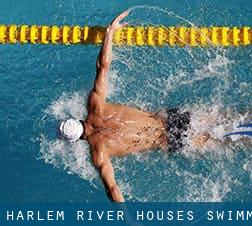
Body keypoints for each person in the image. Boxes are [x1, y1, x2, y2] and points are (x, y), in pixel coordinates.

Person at [58, 11, 210, 202]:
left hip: (171, 140)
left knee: (228, 141)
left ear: (76, 140)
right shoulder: (95, 105)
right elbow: (103, 66)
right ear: (76, 119)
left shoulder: (99, 152)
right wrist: (109, 33)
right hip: (172, 118)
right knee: (226, 118)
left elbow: (112, 189)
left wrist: (128, 221)